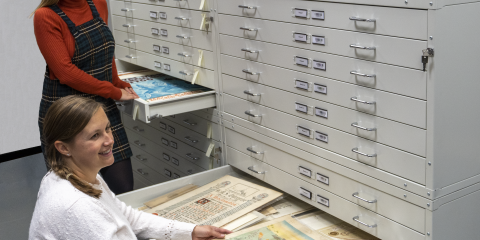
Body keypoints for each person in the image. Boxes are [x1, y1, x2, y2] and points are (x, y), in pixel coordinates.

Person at [29, 96, 232, 239]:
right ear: (64, 147)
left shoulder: (76, 174)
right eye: (95, 136)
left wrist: (190, 232)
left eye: (107, 128)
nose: (109, 140)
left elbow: (126, 216)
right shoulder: (76, 206)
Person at [32, 0, 138, 194]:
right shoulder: (46, 16)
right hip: (67, 110)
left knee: (124, 188)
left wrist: (116, 82)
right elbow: (65, 72)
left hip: (100, 105)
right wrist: (113, 91)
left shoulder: (98, 3)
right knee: (76, 191)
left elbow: (106, 52)